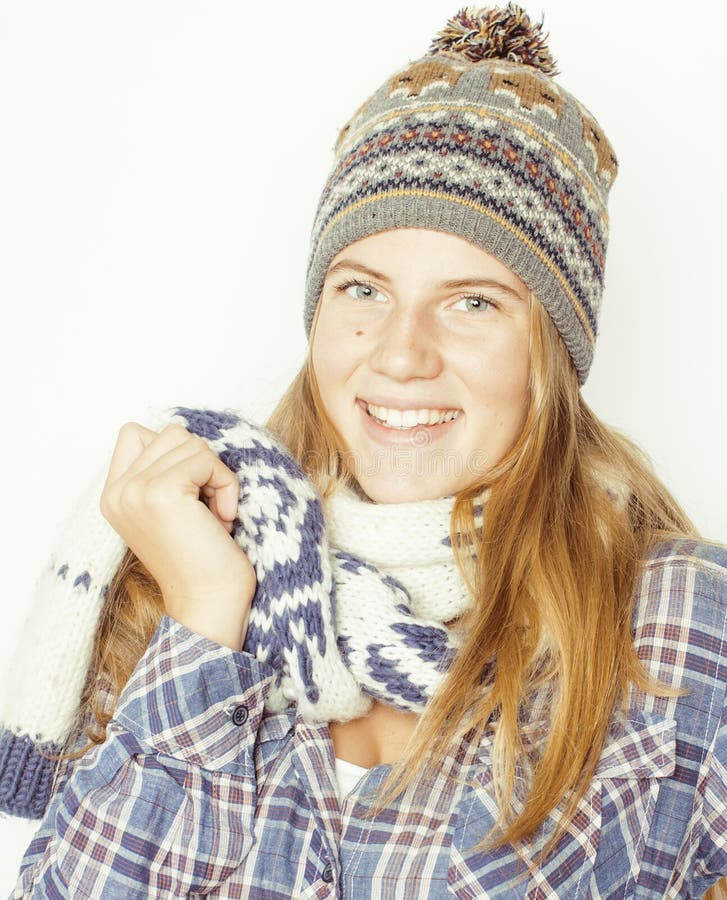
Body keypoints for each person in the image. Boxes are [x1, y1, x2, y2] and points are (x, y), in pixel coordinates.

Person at [1, 4, 725, 897]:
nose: (399, 353)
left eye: (473, 303)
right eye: (363, 288)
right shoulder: (167, 578)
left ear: (553, 357)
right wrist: (204, 616)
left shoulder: (673, 620)